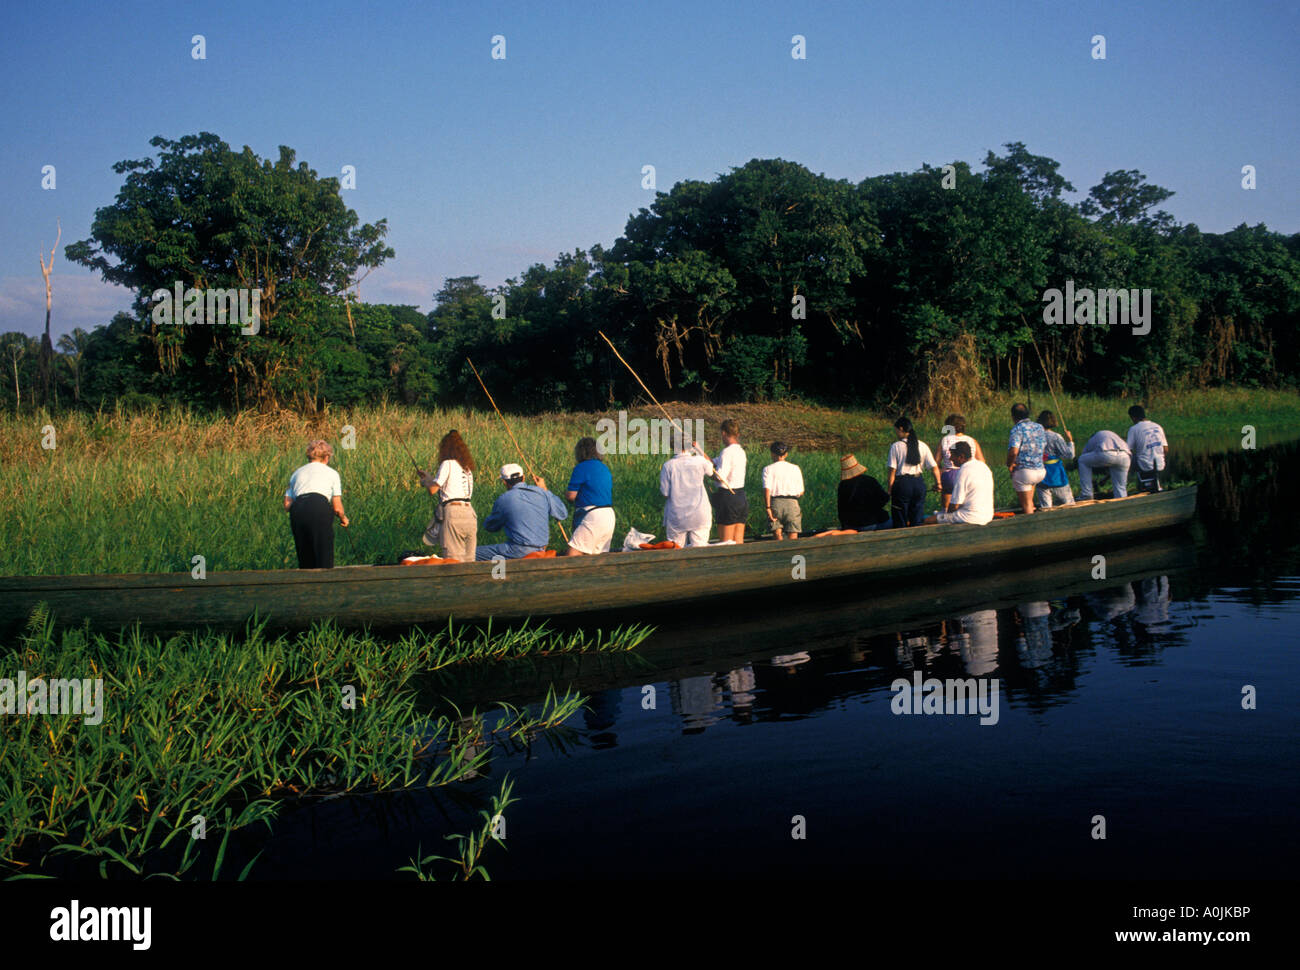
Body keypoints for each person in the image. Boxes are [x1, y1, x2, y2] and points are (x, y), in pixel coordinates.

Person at [475, 463, 568, 560]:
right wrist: (545, 489)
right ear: (523, 477)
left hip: (518, 550)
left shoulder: (504, 499)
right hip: (541, 549)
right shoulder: (542, 493)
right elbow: (562, 514)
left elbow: (490, 527)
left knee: (472, 553)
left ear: (504, 482)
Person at [283, 439, 348, 569]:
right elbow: (337, 508)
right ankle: (325, 585)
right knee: (323, 554)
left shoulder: (296, 473)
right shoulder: (332, 473)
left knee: (304, 555)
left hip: (298, 509)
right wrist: (343, 518)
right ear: (326, 457)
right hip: (319, 507)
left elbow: (287, 505)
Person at [418, 429, 477, 561]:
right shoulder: (466, 468)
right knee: (469, 561)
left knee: (452, 561)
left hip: (454, 514)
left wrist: (424, 483)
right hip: (470, 515)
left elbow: (433, 490)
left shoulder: (447, 463)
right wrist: (429, 478)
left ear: (445, 448)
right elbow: (449, 489)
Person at [659, 434, 716, 547]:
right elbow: (711, 470)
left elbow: (664, 493)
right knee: (700, 548)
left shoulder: (668, 466)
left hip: (677, 516)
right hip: (700, 513)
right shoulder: (699, 461)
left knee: (676, 549)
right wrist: (698, 449)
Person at [565, 436, 615, 555]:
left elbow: (571, 496)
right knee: (597, 557)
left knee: (573, 553)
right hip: (609, 515)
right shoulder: (605, 468)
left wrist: (566, 494)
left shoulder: (581, 468)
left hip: (593, 515)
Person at [888, 417, 941, 527]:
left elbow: (892, 471)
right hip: (918, 483)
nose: (896, 434)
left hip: (902, 484)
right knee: (917, 518)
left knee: (900, 518)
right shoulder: (923, 445)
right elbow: (934, 468)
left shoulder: (896, 446)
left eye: (896, 431)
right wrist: (938, 483)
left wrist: (890, 490)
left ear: (901, 429)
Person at [923, 441, 993, 525]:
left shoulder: (964, 470)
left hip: (969, 517)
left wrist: (945, 515)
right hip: (988, 515)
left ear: (961, 457)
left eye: (952, 455)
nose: (950, 459)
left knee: (927, 521)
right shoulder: (983, 466)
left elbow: (954, 506)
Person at [709, 419, 749, 544]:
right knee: (738, 541)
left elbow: (720, 476)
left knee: (726, 543)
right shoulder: (741, 451)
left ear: (723, 433)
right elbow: (713, 461)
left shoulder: (726, 452)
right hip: (741, 497)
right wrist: (699, 451)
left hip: (727, 497)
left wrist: (708, 473)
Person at [936, 414, 985, 512]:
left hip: (949, 474)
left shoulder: (944, 440)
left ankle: (945, 513)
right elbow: (982, 461)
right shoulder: (971, 440)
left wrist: (940, 475)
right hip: (968, 473)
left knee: (946, 507)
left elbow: (936, 461)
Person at [1006, 403, 1047, 515]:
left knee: (1026, 504)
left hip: (1025, 473)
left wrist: (1009, 464)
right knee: (1030, 500)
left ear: (1013, 416)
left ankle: (1032, 526)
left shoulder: (1017, 429)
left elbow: (1013, 451)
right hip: (1040, 471)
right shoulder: (1039, 427)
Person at [762, 441, 804, 540]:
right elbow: (801, 491)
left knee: (777, 533)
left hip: (776, 503)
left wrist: (768, 507)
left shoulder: (768, 469)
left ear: (772, 454)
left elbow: (767, 489)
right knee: (793, 534)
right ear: (786, 454)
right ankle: (792, 554)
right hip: (792, 503)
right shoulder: (795, 468)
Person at [837, 454, 891, 531]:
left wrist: (845, 526)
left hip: (850, 526)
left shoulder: (842, 486)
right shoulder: (869, 480)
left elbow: (840, 510)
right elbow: (884, 499)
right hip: (871, 524)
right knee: (895, 522)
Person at [1035, 410, 1075, 509]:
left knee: (1046, 507)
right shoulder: (1056, 437)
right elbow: (1069, 455)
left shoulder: (1034, 437)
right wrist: (1070, 441)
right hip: (1056, 475)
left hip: (1040, 474)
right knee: (1069, 504)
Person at [1077, 429, 1132, 499]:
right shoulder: (1111, 434)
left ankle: (1087, 494)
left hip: (1107, 453)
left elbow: (1085, 454)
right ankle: (1122, 498)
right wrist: (1105, 478)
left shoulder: (1093, 438)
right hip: (1125, 456)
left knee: (1082, 460)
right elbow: (1116, 459)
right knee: (1120, 487)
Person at [1126, 405, 1169, 493]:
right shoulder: (1158, 426)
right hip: (1160, 465)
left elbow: (1128, 450)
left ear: (1133, 418)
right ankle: (1156, 485)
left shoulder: (1133, 429)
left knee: (1127, 457)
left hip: (1145, 465)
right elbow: (1165, 449)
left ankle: (1136, 487)